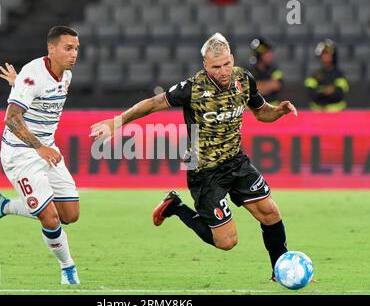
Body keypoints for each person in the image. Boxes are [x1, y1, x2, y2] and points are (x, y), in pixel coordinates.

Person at [90, 33, 298, 281]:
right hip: (204, 171)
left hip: (236, 160)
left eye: (226, 64)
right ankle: (176, 207)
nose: (223, 71)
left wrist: (279, 112)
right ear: (205, 65)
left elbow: (262, 113)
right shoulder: (192, 88)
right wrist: (117, 122)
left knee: (270, 212)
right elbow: (153, 103)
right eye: (215, 67)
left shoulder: (244, 79)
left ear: (232, 58)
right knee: (227, 241)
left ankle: (280, 271)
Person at [0, 26, 81, 285]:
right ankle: (67, 269)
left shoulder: (66, 75)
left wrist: (17, 86)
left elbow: (35, 94)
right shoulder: (32, 75)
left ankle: (3, 206)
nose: (74, 54)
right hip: (21, 153)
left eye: (76, 49)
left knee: (70, 214)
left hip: (47, 149)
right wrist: (40, 148)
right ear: (51, 49)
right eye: (68, 48)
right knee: (49, 217)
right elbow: (11, 119)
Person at [304, 39, 349, 112]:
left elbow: (340, 94)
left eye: (327, 53)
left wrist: (323, 90)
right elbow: (311, 92)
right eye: (323, 54)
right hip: (317, 114)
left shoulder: (339, 74)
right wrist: (325, 90)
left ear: (333, 55)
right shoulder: (314, 75)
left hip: (336, 114)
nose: (325, 56)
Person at [249, 37, 284, 105]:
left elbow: (277, 85)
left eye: (270, 52)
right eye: (267, 52)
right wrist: (268, 85)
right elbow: (248, 90)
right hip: (252, 111)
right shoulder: (248, 70)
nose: (270, 55)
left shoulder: (275, 69)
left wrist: (259, 86)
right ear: (258, 55)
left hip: (272, 110)